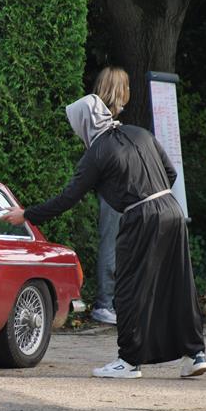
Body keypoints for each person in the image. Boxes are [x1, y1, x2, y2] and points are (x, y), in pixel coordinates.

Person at [1, 94, 206, 379]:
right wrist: (153, 196)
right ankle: (195, 354)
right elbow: (170, 173)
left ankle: (129, 360)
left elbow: (68, 198)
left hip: (141, 217)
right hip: (172, 210)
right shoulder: (140, 133)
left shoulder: (97, 152)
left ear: (84, 123)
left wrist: (26, 214)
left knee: (128, 288)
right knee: (179, 283)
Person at [89, 66, 130, 325]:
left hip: (116, 190)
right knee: (111, 244)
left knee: (117, 245)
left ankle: (112, 302)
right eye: (126, 86)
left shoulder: (100, 118)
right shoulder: (102, 121)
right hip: (112, 191)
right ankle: (104, 303)